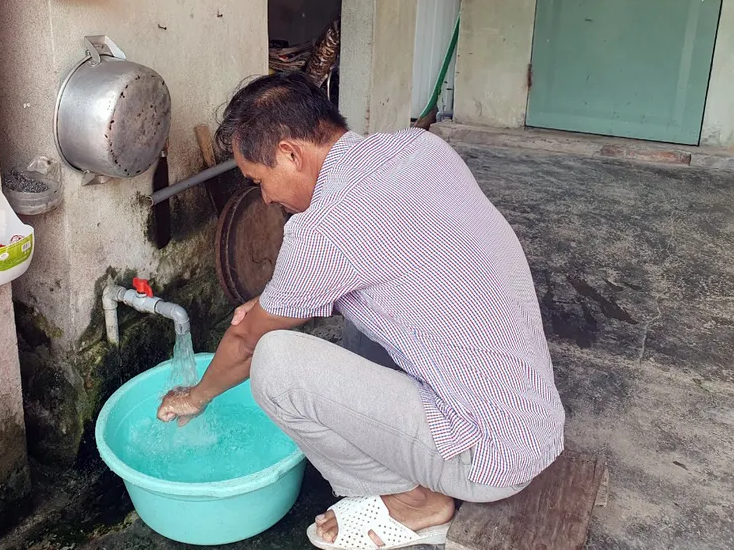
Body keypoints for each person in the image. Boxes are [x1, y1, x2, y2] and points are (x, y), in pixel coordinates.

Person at [157, 72, 565, 550]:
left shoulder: (323, 230)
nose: (265, 198)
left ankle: (417, 501)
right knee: (363, 307)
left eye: (258, 180)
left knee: (275, 362)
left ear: (290, 153)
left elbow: (246, 342)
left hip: (490, 456)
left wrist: (199, 395)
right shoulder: (421, 149)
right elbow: (393, 257)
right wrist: (278, 299)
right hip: (532, 416)